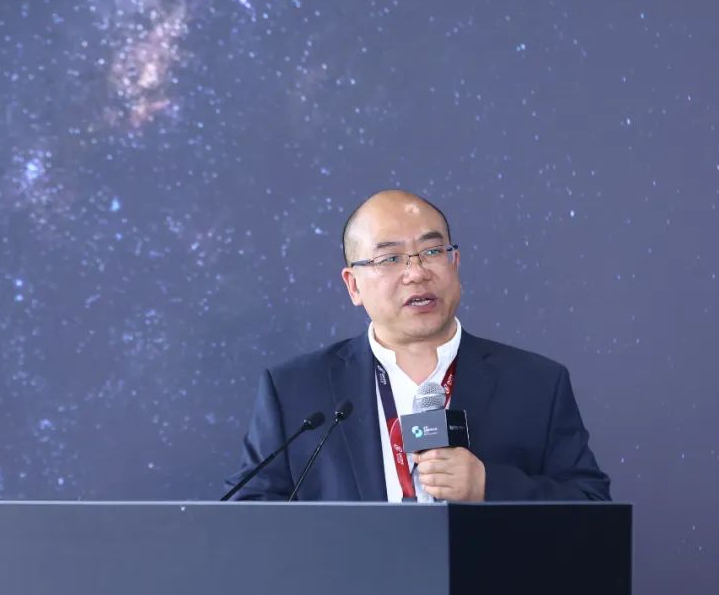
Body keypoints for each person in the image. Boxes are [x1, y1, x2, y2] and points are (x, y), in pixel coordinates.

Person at [225, 189, 610, 502]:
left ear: (454, 263)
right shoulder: (295, 390)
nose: (416, 272)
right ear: (353, 285)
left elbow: (593, 509)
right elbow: (250, 516)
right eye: (390, 258)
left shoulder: (536, 383)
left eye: (432, 251)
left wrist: (489, 486)